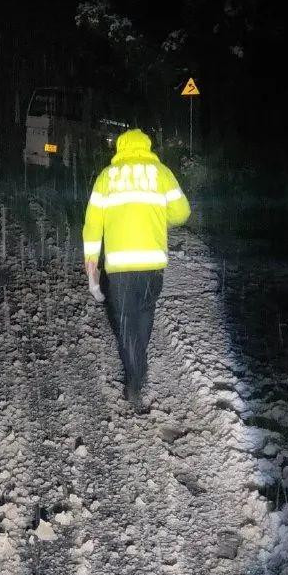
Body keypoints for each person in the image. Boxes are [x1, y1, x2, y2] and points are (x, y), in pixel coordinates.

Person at [82, 128, 191, 411]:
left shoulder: (107, 177)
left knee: (127, 324)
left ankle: (134, 381)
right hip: (152, 265)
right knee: (144, 316)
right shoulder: (161, 172)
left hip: (120, 268)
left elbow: (93, 226)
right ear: (147, 146)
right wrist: (156, 218)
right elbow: (182, 213)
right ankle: (138, 367)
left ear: (119, 148)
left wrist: (92, 269)